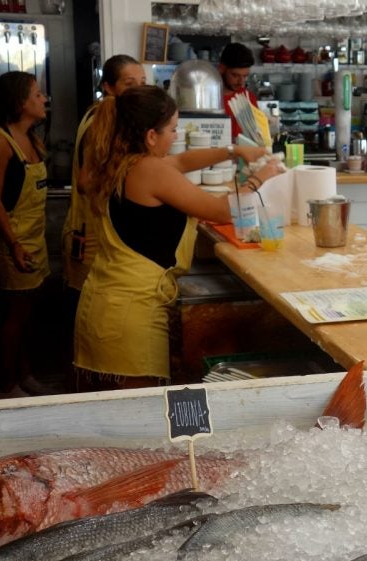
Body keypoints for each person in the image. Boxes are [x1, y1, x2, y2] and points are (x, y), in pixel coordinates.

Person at [74, 85, 283, 391]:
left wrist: (235, 150)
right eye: (172, 130)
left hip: (105, 303)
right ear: (150, 136)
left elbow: (183, 161)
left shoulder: (120, 161)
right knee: (140, 420)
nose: (175, 137)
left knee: (117, 417)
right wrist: (259, 178)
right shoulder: (149, 170)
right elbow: (221, 209)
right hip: (131, 314)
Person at [61, 55, 146, 360]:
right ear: (109, 87)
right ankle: (81, 385)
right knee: (84, 311)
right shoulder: (104, 119)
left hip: (87, 227)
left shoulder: (107, 115)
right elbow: (87, 182)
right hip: (89, 232)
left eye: (142, 82)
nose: (138, 89)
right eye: (129, 83)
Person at [0, 71, 50, 398]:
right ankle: (5, 385)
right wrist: (14, 244)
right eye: (37, 95)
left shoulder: (33, 138)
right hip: (12, 244)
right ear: (21, 103)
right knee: (12, 316)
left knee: (27, 315)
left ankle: (23, 374)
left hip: (34, 240)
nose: (44, 99)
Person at [217, 42, 257, 141]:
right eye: (235, 75)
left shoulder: (248, 98)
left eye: (245, 76)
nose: (241, 82)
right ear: (221, 68)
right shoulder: (209, 98)